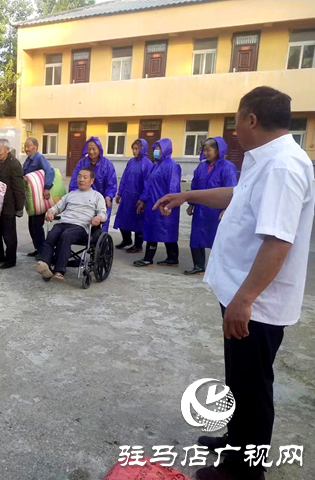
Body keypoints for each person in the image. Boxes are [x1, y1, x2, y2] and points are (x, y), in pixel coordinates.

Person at [154, 87, 314, 480]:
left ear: (251, 119)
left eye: (236, 119)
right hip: (244, 295)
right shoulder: (266, 159)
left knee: (252, 387)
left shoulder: (282, 167)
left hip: (257, 303)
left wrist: (245, 300)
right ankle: (237, 439)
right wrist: (187, 194)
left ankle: (243, 472)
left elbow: (278, 242)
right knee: (240, 381)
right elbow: (236, 195)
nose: (234, 129)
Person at [36, 168, 106, 282]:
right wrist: (51, 212)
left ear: (92, 181)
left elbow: (103, 213)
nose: (81, 179)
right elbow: (57, 207)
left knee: (66, 235)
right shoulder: (71, 195)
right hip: (64, 222)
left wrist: (99, 218)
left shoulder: (97, 196)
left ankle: (59, 271)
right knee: (52, 234)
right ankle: (46, 265)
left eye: (85, 177)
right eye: (79, 176)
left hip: (81, 226)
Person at [185, 137, 238, 276]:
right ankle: (198, 265)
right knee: (196, 237)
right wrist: (191, 203)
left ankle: (219, 268)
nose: (206, 153)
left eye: (209, 150)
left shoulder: (227, 167)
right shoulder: (201, 167)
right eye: (204, 150)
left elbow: (231, 189)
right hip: (200, 208)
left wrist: (227, 208)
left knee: (218, 238)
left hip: (216, 210)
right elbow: (195, 186)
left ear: (218, 150)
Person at [133, 139, 181, 267]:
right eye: (155, 148)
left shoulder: (172, 166)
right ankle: (151, 258)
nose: (156, 151)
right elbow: (149, 185)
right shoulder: (156, 165)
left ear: (165, 149)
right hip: (153, 204)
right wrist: (143, 200)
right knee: (153, 230)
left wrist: (169, 204)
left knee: (167, 231)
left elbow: (173, 187)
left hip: (165, 205)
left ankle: (171, 258)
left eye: (159, 148)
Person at [0, 138, 25, 269]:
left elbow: (19, 187)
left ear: (7, 150)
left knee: (9, 235)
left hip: (9, 204)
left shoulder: (13, 164)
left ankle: (10, 260)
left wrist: (19, 207)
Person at [68, 136, 117, 233]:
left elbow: (111, 184)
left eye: (94, 149)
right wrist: (72, 195)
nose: (91, 152)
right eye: (89, 149)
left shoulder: (107, 165)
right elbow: (74, 181)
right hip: (84, 200)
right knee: (82, 223)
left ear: (99, 149)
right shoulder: (82, 163)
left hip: (101, 200)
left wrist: (108, 197)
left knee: (100, 225)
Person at [113, 139, 153, 253]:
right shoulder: (131, 162)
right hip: (127, 196)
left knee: (138, 221)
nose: (134, 151)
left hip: (138, 198)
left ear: (143, 149)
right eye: (133, 149)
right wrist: (119, 193)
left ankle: (138, 245)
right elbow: (124, 178)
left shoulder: (147, 164)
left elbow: (148, 184)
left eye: (137, 149)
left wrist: (143, 199)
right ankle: (126, 240)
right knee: (123, 218)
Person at [23, 137, 55, 257]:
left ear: (35, 147)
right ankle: (37, 248)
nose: (26, 149)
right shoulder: (28, 160)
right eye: (25, 146)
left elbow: (50, 171)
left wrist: (47, 188)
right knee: (31, 225)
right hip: (32, 199)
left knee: (37, 225)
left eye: (28, 146)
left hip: (40, 197)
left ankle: (43, 251)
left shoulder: (39, 158)